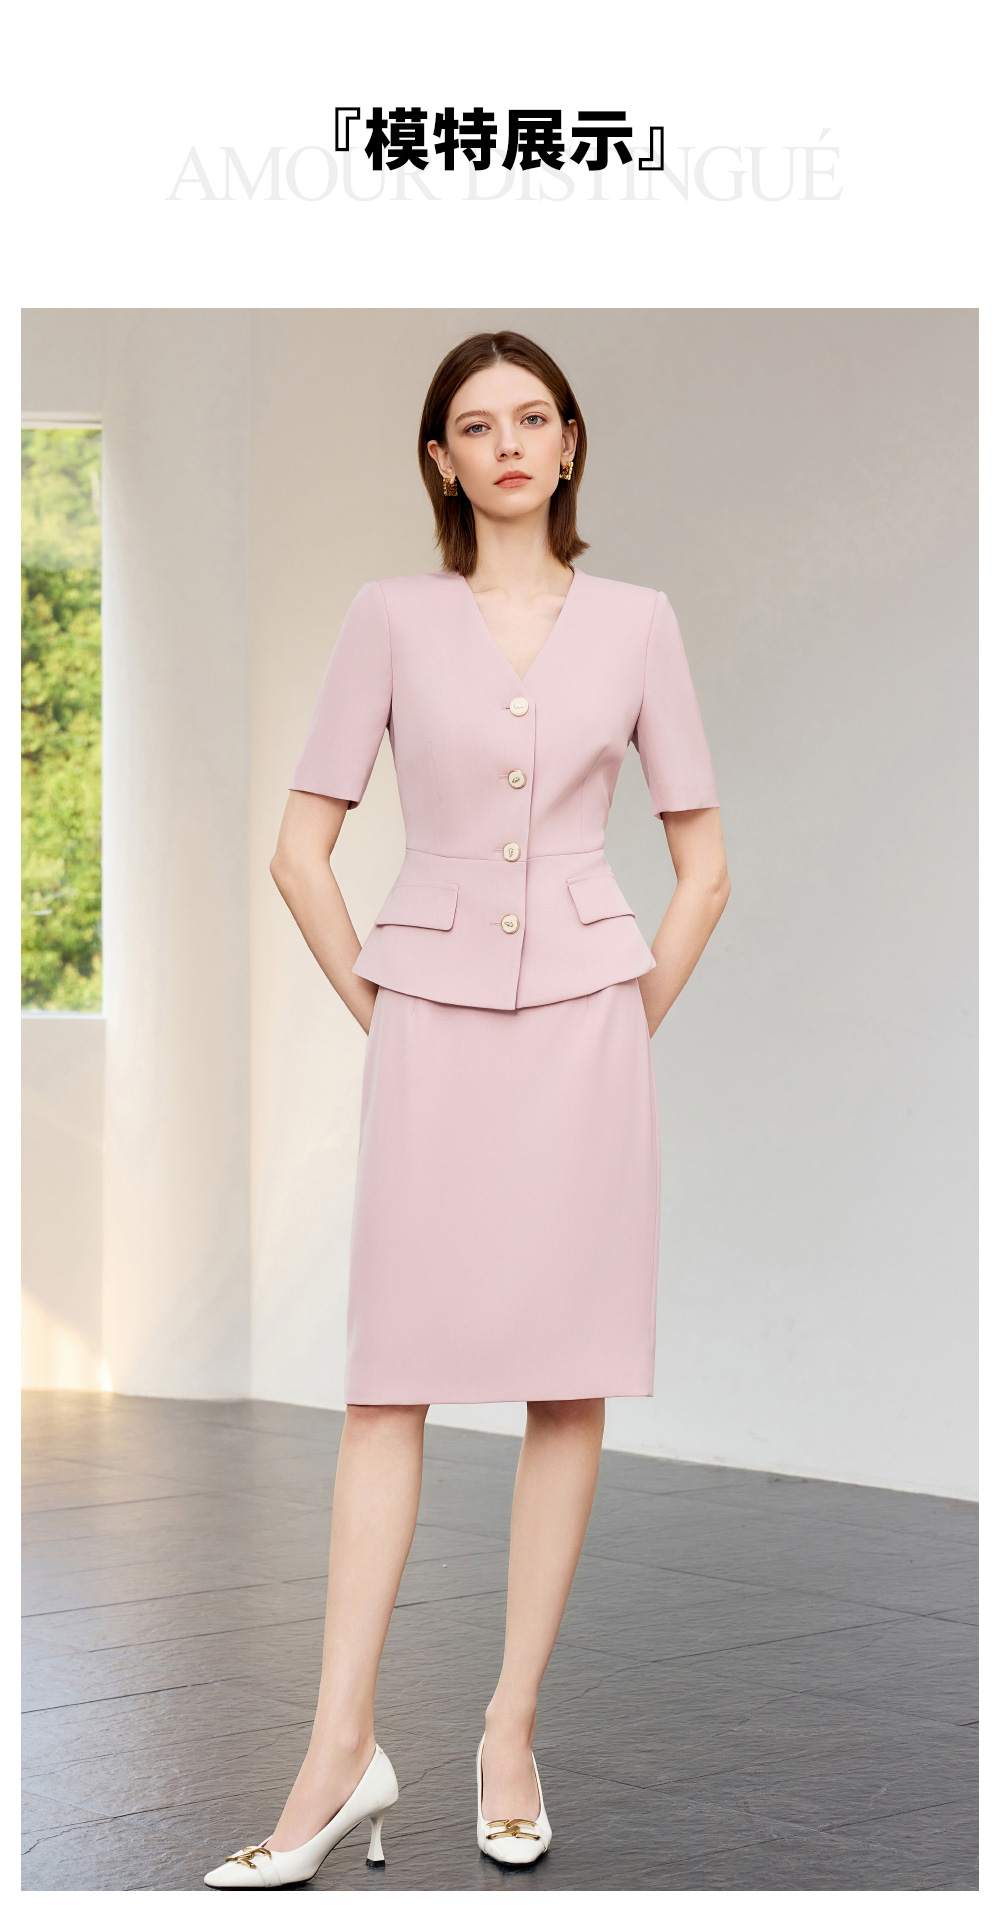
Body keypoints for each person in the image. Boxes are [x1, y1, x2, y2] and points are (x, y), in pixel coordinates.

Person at [204, 329, 730, 1889]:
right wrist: (390, 1007)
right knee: (390, 1383)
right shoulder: (389, 617)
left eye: (533, 417)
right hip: (432, 1020)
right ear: (440, 458)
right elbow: (299, 850)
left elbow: (705, 866)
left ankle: (509, 1729)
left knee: (570, 1377)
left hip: (584, 1033)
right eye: (476, 423)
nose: (508, 442)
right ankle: (338, 1750)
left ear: (569, 444)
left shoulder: (639, 624)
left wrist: (622, 1020)